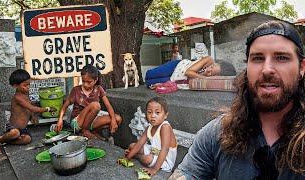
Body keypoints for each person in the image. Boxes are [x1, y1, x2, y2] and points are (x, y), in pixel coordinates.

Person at [169, 20, 305, 179]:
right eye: (258, 58)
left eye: (281, 58)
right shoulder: (217, 133)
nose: (267, 69)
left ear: (302, 68)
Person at [0, 69, 56, 155]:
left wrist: (33, 116)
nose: (28, 87)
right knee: (15, 133)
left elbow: (29, 109)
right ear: (15, 86)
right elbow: (32, 108)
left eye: (29, 84)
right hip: (12, 127)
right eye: (25, 85)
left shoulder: (26, 94)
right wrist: (47, 109)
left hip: (22, 128)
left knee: (27, 139)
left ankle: (6, 140)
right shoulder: (17, 98)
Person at [54, 64, 122, 139]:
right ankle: (85, 130)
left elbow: (108, 106)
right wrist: (60, 120)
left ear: (95, 80)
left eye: (89, 82)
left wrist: (113, 120)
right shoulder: (76, 90)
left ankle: (92, 131)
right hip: (78, 122)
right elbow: (65, 106)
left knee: (118, 119)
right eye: (83, 81)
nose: (85, 84)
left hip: (91, 120)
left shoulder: (98, 89)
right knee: (96, 105)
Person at [125, 97, 177, 176]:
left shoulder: (165, 127)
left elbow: (165, 149)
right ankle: (135, 155)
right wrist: (128, 157)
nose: (153, 116)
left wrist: (154, 169)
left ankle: (137, 157)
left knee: (147, 159)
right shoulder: (149, 127)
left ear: (165, 115)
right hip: (153, 151)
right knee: (132, 146)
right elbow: (140, 143)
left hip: (165, 159)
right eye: (149, 112)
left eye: (157, 113)